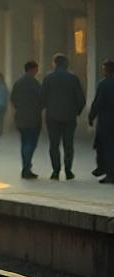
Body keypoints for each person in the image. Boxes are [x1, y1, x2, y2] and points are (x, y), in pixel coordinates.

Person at [40, 53, 86, 181]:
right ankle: (68, 170)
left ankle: (55, 171)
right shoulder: (73, 78)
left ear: (54, 63)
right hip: (69, 117)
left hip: (52, 116)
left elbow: (42, 97)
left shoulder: (49, 78)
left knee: (54, 145)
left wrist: (46, 109)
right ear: (67, 64)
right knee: (68, 145)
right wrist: (77, 112)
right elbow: (81, 99)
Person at [10, 61, 43, 179]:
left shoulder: (18, 83)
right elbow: (41, 99)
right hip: (33, 118)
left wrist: (19, 108)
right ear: (32, 69)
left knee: (24, 143)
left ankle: (26, 166)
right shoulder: (34, 84)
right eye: (36, 69)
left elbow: (13, 98)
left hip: (20, 116)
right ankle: (26, 168)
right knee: (30, 143)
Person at [88, 59, 114, 184]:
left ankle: (109, 174)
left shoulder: (103, 84)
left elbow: (97, 103)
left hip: (107, 121)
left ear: (107, 70)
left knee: (107, 148)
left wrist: (91, 117)